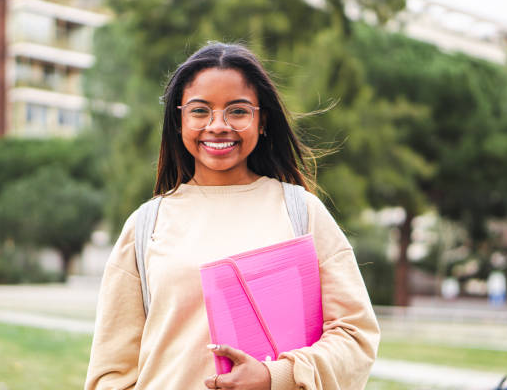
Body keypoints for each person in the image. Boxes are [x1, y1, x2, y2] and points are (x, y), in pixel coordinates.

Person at [85, 42, 380, 390]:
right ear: (179, 121)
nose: (218, 125)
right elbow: (110, 372)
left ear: (262, 119)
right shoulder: (146, 224)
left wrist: (276, 376)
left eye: (237, 111)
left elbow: (355, 336)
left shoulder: (301, 212)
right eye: (200, 111)